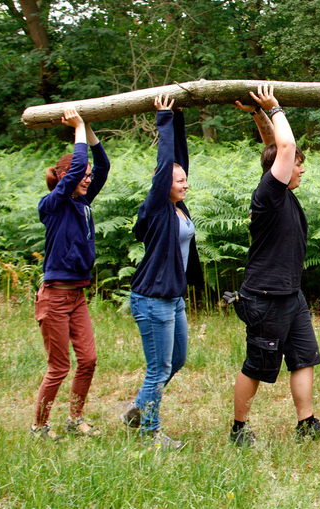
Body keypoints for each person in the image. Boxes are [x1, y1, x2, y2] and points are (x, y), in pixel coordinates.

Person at [228, 84, 320, 447]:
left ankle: (306, 423)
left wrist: (259, 115)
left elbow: (275, 147)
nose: (301, 170)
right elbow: (285, 148)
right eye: (298, 166)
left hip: (290, 294)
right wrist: (275, 106)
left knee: (304, 357)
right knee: (257, 366)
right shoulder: (268, 194)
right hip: (265, 296)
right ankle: (239, 429)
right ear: (284, 169)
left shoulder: (283, 192)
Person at [121, 94, 204, 451]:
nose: (185, 183)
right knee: (158, 368)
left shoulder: (177, 205)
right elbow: (166, 161)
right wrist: (164, 117)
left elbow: (177, 160)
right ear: (162, 184)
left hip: (171, 298)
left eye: (185, 179)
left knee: (177, 360)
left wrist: (180, 120)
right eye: (179, 180)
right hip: (151, 299)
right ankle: (149, 433)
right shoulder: (157, 209)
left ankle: (136, 411)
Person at [31, 107, 110, 440]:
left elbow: (101, 166)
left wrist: (88, 127)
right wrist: (76, 126)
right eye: (82, 176)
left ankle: (75, 418)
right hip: (54, 297)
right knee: (59, 367)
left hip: (77, 295)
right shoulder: (53, 204)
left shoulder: (82, 202)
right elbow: (78, 165)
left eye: (88, 176)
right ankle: (39, 426)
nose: (88, 178)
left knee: (89, 360)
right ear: (65, 180)